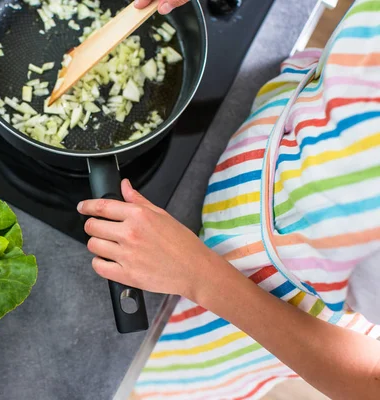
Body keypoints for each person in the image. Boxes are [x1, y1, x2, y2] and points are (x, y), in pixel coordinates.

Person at [79, 0, 380, 398]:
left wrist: (198, 275)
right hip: (277, 119)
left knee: (151, 363)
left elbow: (369, 383)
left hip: (263, 308)